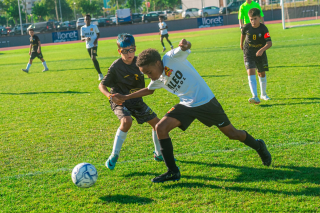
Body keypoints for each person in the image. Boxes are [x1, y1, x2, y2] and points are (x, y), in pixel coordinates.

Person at [111, 38, 272, 183]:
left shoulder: (170, 58)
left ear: (157, 63)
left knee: (232, 134)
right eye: (145, 74)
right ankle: (172, 171)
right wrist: (124, 98)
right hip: (186, 105)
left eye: (149, 72)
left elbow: (184, 48)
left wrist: (185, 45)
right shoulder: (158, 77)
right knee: (161, 127)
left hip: (206, 102)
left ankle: (259, 146)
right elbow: (149, 90)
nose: (149, 76)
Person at [98, 33, 163, 170]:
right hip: (119, 99)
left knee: (157, 125)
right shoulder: (116, 66)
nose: (129, 54)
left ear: (135, 48)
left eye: (131, 50)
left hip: (136, 99)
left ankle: (158, 153)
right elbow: (101, 85)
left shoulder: (140, 62)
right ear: (119, 51)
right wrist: (110, 96)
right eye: (125, 51)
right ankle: (114, 155)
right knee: (127, 121)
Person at [240, 8, 272, 104]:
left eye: (255, 19)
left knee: (261, 73)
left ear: (259, 18)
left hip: (260, 52)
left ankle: (263, 94)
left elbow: (269, 43)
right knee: (251, 71)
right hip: (249, 52)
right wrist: (241, 44)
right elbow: (243, 34)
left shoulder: (264, 28)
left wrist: (262, 50)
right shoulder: (246, 27)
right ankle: (255, 96)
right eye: (251, 19)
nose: (253, 21)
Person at [81, 14, 104, 81]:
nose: (87, 20)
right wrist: (86, 38)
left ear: (90, 20)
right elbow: (82, 38)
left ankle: (100, 74)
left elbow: (98, 34)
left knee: (93, 58)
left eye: (88, 19)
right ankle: (100, 73)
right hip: (88, 45)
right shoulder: (82, 28)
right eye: (86, 19)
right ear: (84, 20)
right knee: (93, 59)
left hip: (94, 45)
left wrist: (96, 40)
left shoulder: (94, 26)